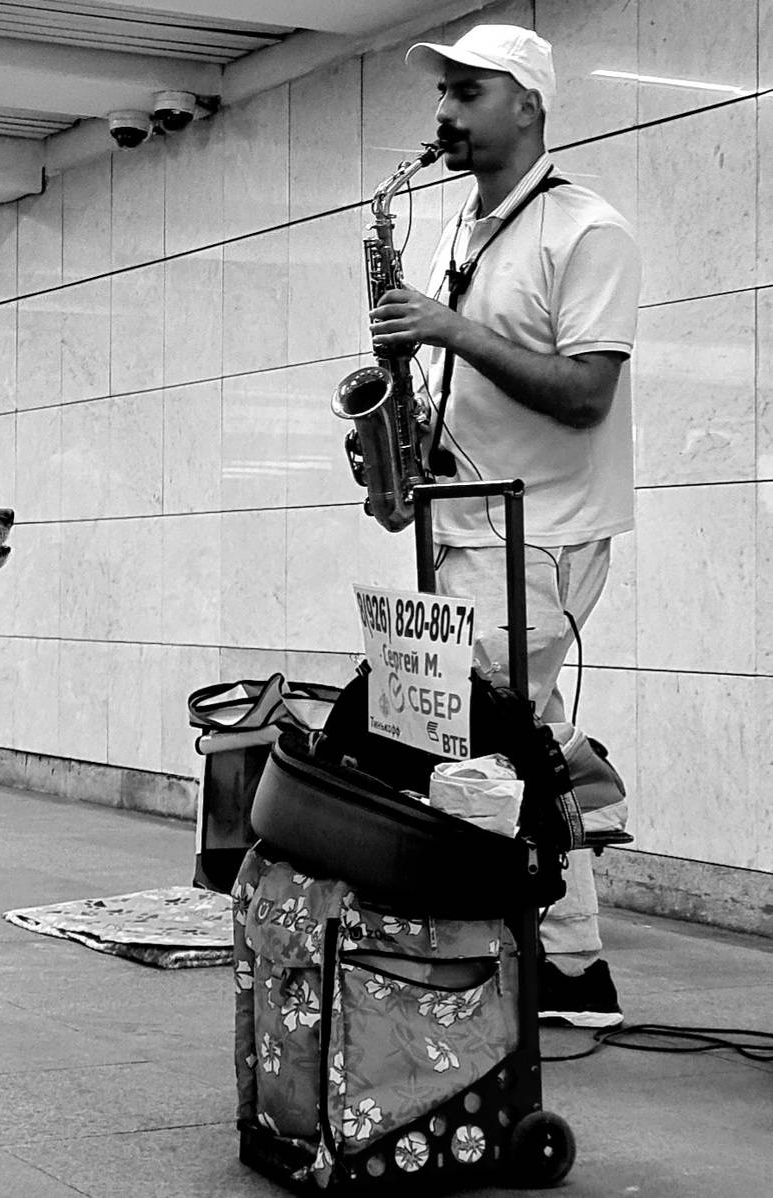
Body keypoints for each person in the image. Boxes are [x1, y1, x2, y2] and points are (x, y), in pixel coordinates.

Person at [373, 24, 640, 1028]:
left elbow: (584, 394)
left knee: (487, 741)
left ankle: (524, 950)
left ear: (527, 103)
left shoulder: (588, 231)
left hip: (542, 530)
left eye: (467, 91)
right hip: (469, 520)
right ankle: (569, 965)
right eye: (443, 93)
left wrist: (450, 329)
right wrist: (405, 452)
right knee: (517, 741)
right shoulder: (460, 228)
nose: (444, 112)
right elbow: (467, 383)